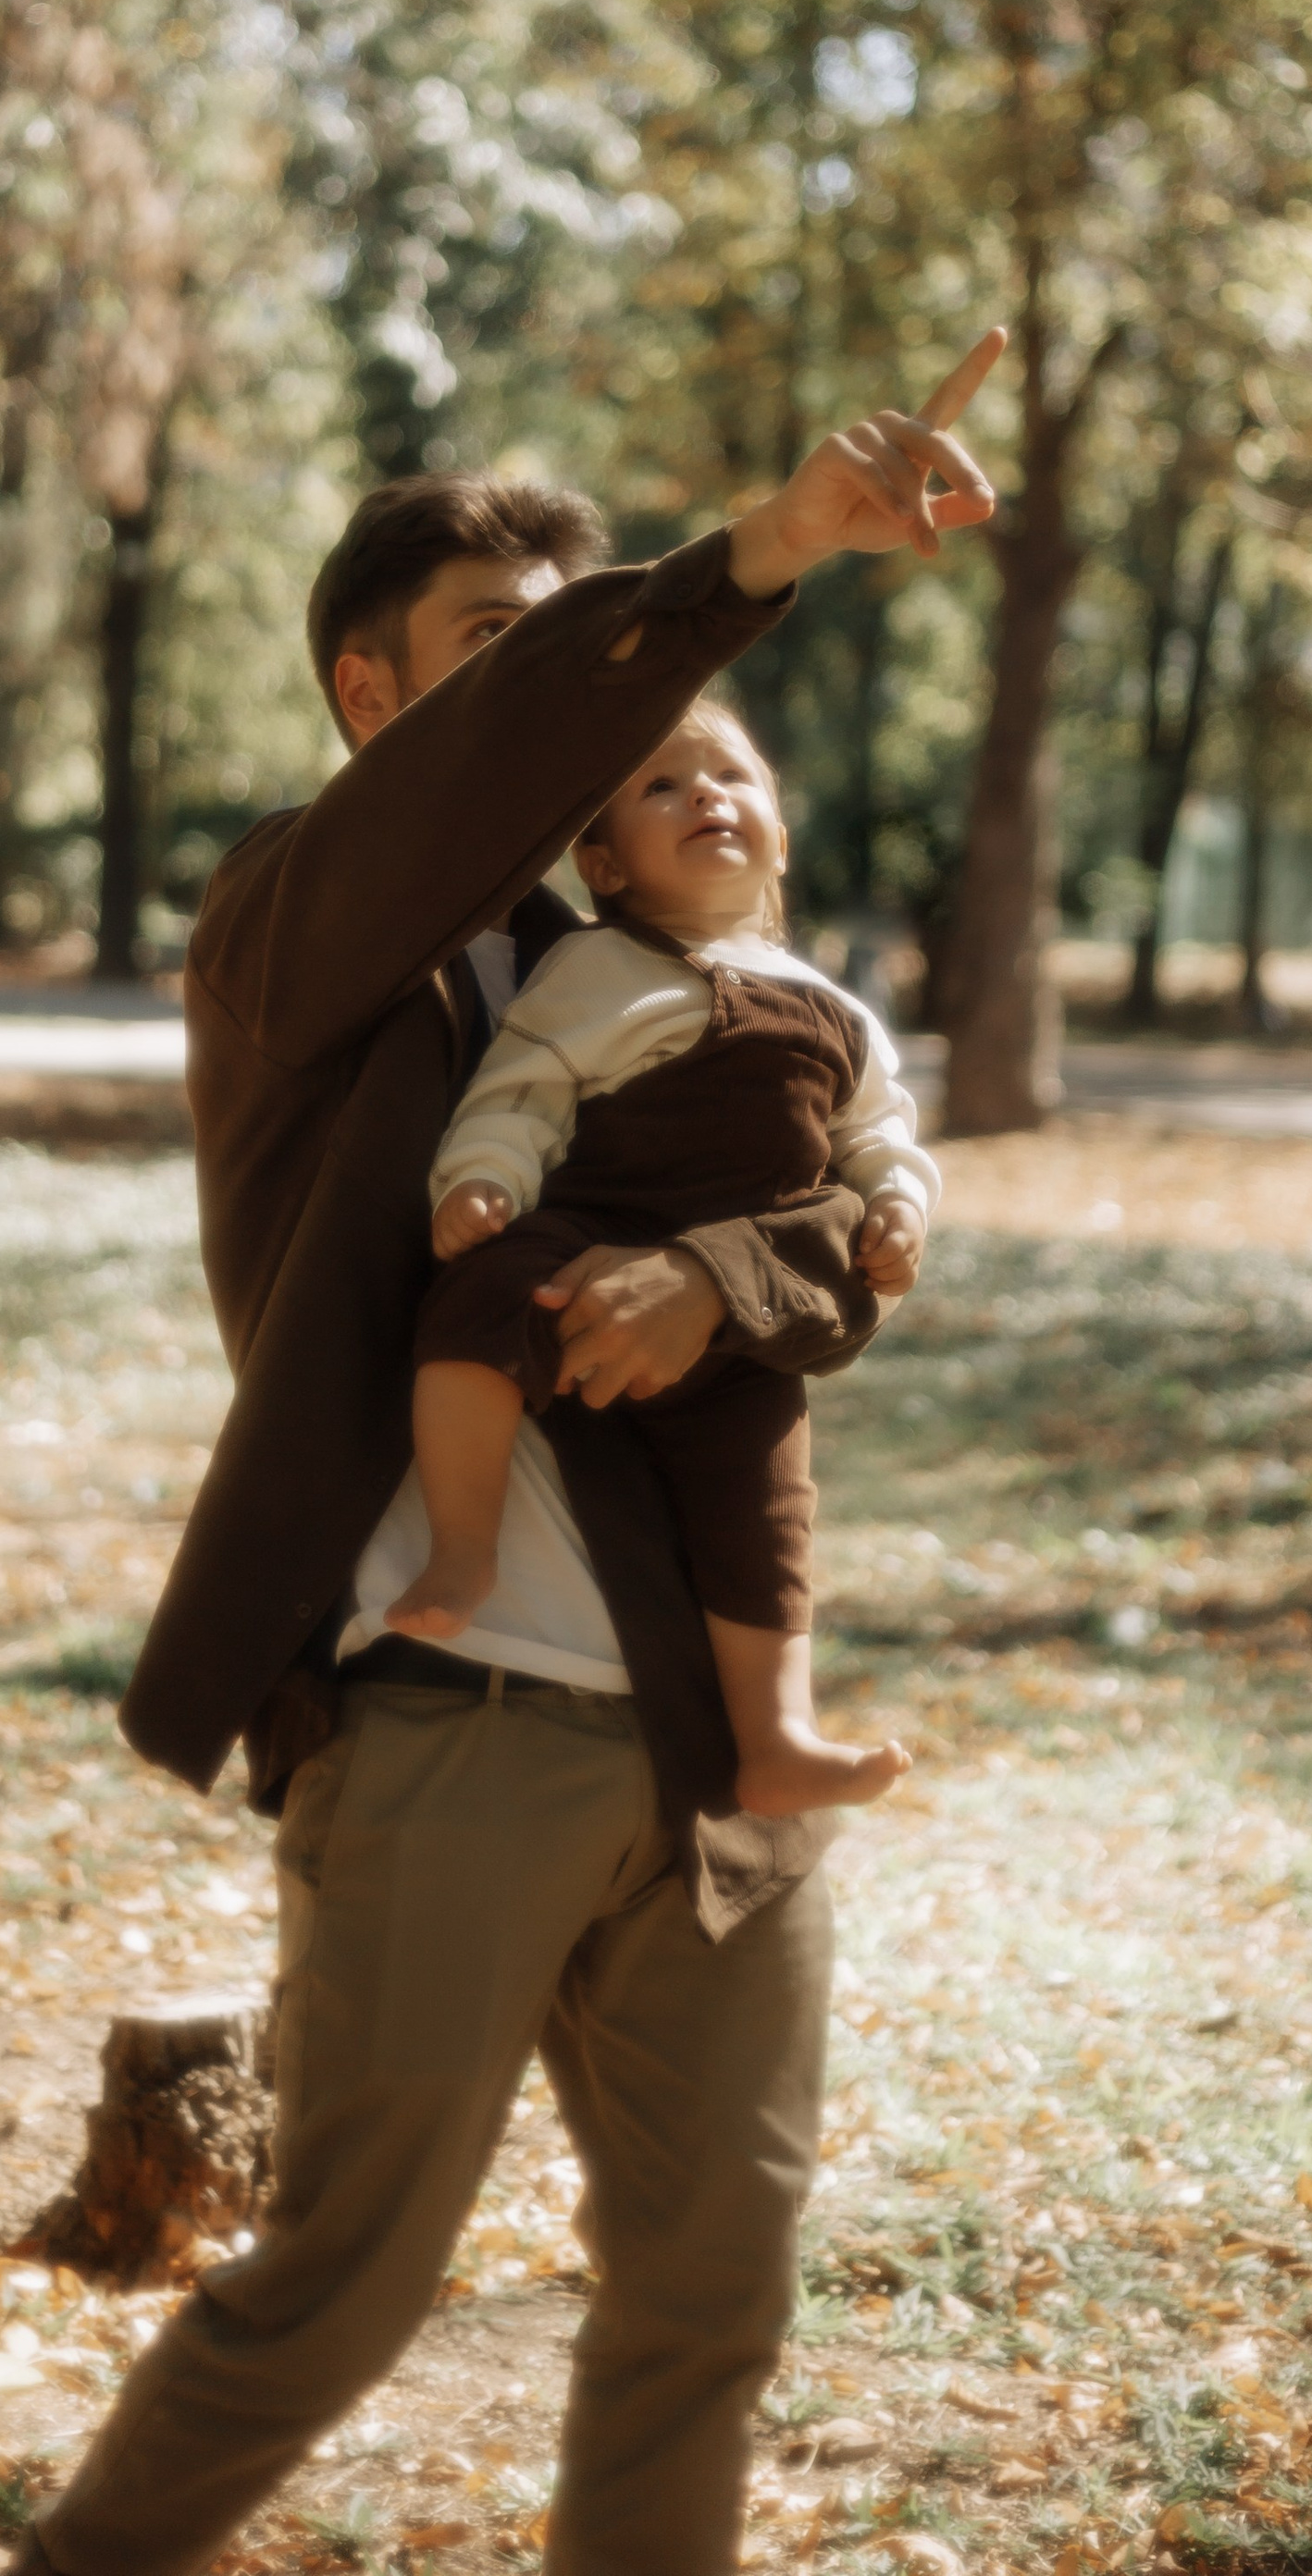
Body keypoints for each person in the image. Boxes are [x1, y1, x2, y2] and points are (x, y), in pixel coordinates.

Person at [13, 332, 1000, 2576]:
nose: (590, 681)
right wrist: (755, 549)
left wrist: (722, 1287)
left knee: (707, 2296)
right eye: (512, 641)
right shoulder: (301, 935)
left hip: (708, 1749)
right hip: (448, 1727)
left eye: (598, 631)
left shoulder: (670, 963)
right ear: (378, 695)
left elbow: (852, 1236)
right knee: (330, 2299)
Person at [395, 695, 940, 1817]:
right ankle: (462, 1545)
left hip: (750, 1307)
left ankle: (777, 1734)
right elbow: (524, 1093)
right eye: (661, 786)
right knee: (475, 1308)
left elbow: (878, 1138)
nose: (705, 794)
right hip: (596, 1222)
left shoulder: (836, 1010)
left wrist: (894, 1204)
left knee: (767, 1505)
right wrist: (482, 1180)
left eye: (734, 779)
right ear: (602, 863)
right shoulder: (593, 972)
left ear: (779, 840)